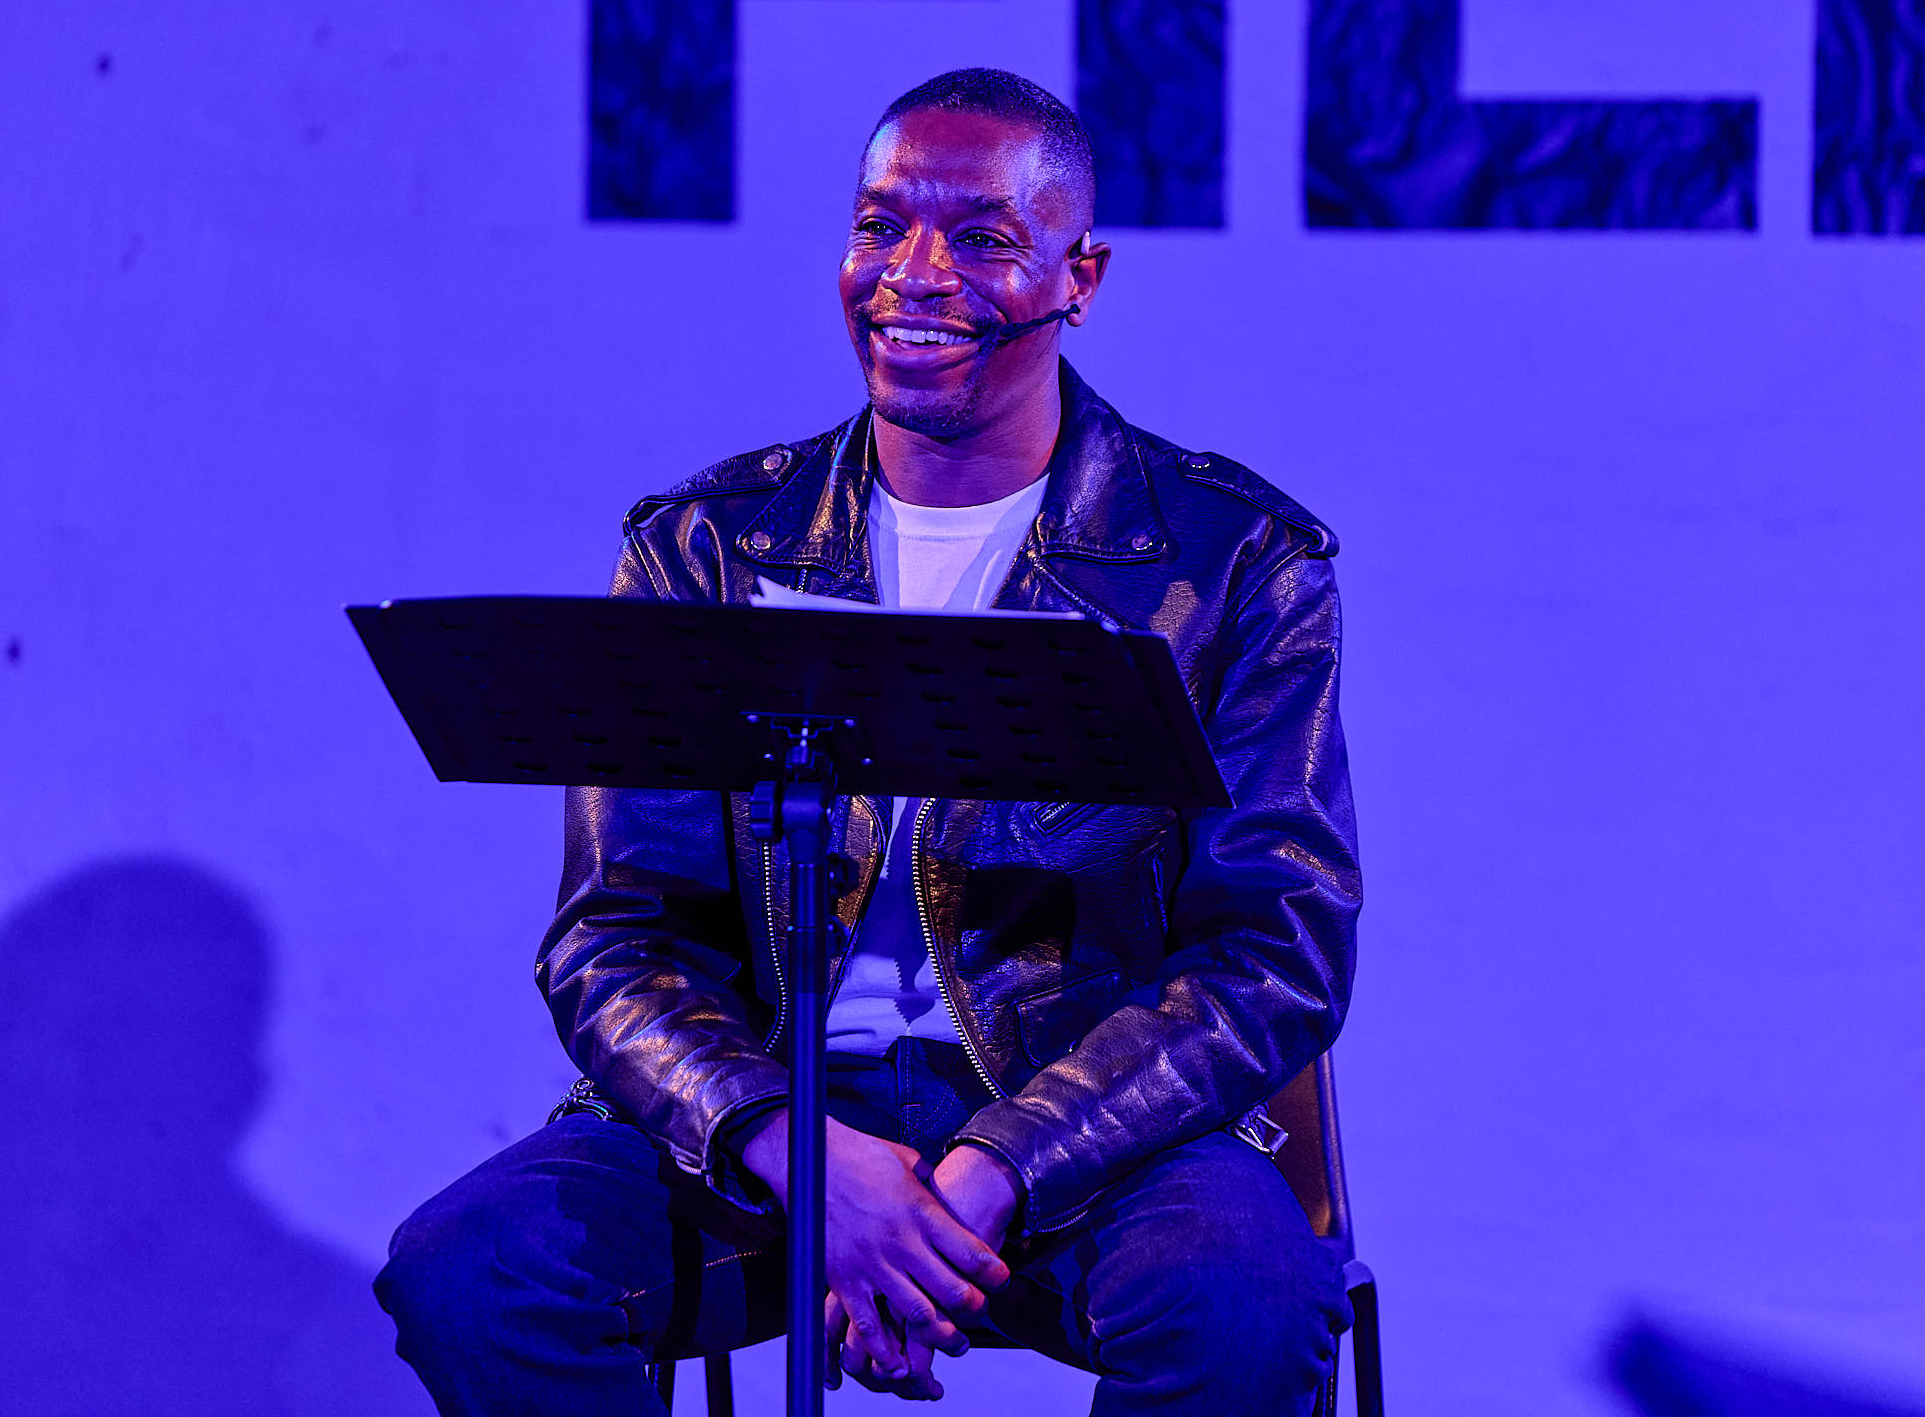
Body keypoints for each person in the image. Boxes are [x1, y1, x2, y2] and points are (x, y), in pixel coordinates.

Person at [374, 68, 1361, 1414]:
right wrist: (801, 1153)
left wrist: (1000, 1164)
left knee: (1244, 1301)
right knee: (479, 1270)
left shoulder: (1233, 561)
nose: (914, 275)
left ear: (1079, 277)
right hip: (761, 1117)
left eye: (983, 238)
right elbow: (613, 937)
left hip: (1091, 1129)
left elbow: (1276, 950)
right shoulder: (708, 548)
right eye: (880, 227)